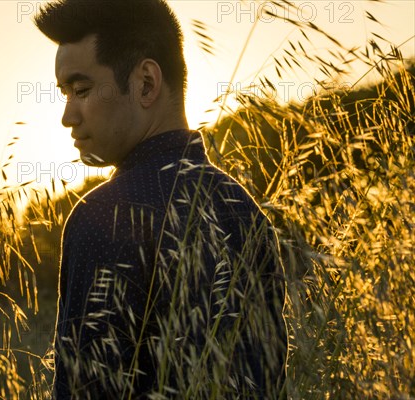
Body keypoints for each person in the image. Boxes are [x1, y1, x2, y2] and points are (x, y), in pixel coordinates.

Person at [34, 1, 287, 398]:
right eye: (65, 93)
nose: (68, 116)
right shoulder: (244, 210)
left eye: (81, 90)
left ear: (146, 83)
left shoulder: (104, 216)